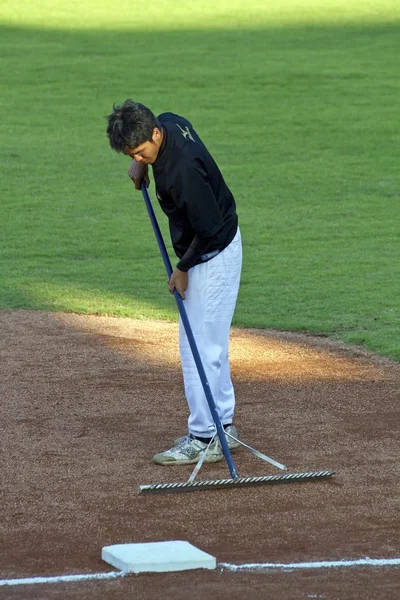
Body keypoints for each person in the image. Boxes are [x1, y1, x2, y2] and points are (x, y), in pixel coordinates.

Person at [106, 100, 242, 466]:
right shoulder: (165, 122)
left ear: (154, 134)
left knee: (199, 348)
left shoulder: (182, 170)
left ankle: (205, 437)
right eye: (131, 154)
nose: (137, 157)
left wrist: (182, 268)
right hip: (208, 249)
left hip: (212, 255)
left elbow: (210, 230)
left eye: (139, 151)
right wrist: (140, 161)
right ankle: (221, 427)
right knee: (205, 344)